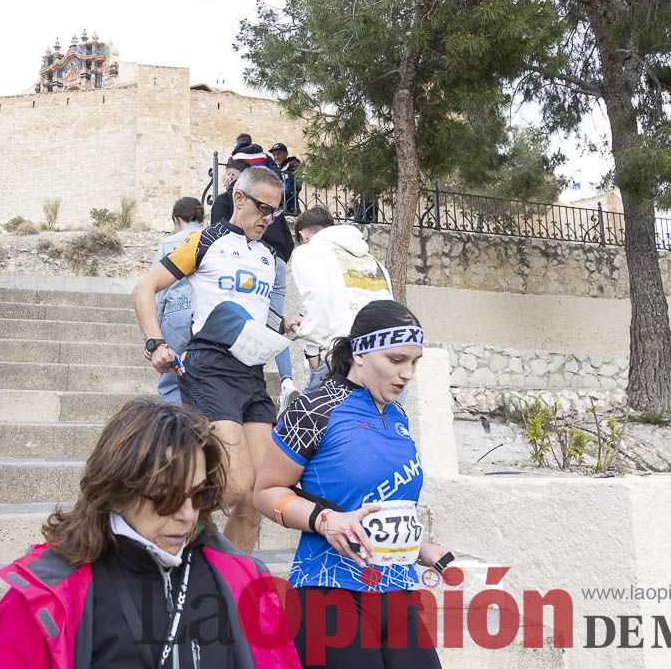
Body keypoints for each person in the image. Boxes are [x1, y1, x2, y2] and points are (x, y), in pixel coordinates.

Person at [0, 398, 302, 668]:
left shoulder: (246, 579)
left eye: (198, 495)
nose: (186, 514)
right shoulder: (41, 596)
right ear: (117, 488)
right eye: (167, 496)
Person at [254, 300, 451, 668]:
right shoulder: (314, 409)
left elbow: (378, 505)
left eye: (414, 362)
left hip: (397, 591)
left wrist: (420, 545)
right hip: (329, 592)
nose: (407, 373)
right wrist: (327, 521)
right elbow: (265, 493)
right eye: (396, 360)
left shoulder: (397, 417)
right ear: (360, 352)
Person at [133, 166, 298, 553]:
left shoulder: (269, 258)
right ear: (238, 198)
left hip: (252, 374)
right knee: (235, 483)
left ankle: (227, 587)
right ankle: (151, 528)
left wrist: (286, 322)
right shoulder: (206, 240)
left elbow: (261, 312)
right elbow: (145, 287)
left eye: (275, 212)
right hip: (210, 367)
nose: (268, 218)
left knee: (259, 495)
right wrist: (155, 342)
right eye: (262, 208)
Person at [210, 157, 297, 408]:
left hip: (262, 261)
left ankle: (282, 381)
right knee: (267, 317)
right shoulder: (210, 244)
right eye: (263, 209)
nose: (268, 218)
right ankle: (286, 380)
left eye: (229, 174)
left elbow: (219, 230)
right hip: (274, 261)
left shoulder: (228, 204)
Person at [290, 206, 393, 394]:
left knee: (299, 419)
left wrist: (312, 350)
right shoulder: (371, 260)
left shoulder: (308, 252)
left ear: (303, 235)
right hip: (383, 358)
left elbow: (318, 300)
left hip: (340, 358)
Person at [150, 196, 206, 403]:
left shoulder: (169, 243)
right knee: (206, 380)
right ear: (202, 217)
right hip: (207, 315)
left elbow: (155, 291)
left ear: (176, 219)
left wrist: (152, 340)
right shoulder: (213, 239)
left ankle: (177, 432)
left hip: (176, 314)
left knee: (171, 380)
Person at [268, 143, 301, 215]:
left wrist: (280, 196)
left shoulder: (292, 165)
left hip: (291, 209)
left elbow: (295, 186)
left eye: (278, 154)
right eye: (274, 155)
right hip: (280, 208)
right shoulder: (278, 169)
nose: (276, 157)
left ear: (286, 154)